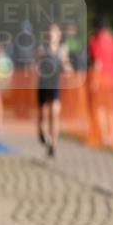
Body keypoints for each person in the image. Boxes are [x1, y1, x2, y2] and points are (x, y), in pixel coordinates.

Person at [88, 16, 113, 148]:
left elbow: (97, 62)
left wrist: (94, 80)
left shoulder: (95, 41)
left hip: (101, 79)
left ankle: (104, 136)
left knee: (100, 109)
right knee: (110, 109)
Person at [37, 23, 72, 158]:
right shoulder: (41, 50)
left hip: (55, 84)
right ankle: (42, 134)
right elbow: (35, 65)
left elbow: (65, 63)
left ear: (58, 35)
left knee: (54, 114)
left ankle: (54, 145)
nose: (51, 35)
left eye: (54, 32)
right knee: (43, 115)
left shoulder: (62, 50)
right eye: (50, 32)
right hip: (43, 84)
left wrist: (67, 68)